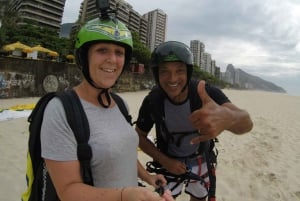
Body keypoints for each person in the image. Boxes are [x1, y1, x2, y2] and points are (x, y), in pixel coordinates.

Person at [40, 16, 175, 201]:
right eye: (102, 50)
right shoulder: (61, 110)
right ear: (83, 56)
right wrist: (123, 196)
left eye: (119, 52)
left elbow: (123, 153)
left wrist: (147, 177)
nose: (112, 59)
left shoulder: (119, 104)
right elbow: (68, 192)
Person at [135, 41, 253, 201]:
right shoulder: (153, 101)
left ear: (188, 72)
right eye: (164, 72)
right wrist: (165, 161)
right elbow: (140, 136)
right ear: (156, 74)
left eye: (179, 71)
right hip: (168, 162)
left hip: (201, 159)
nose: (172, 78)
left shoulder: (205, 92)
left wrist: (229, 118)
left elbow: (247, 123)